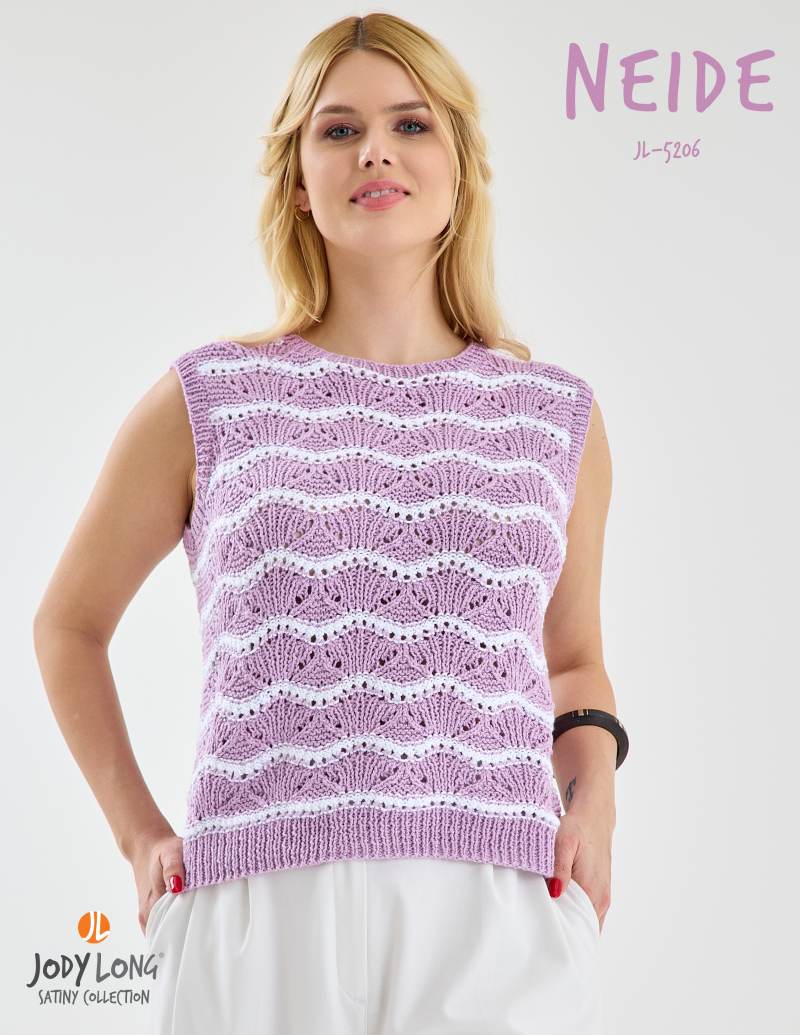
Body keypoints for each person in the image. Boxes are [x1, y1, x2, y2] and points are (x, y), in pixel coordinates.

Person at [33, 12, 622, 1035]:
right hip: (257, 901)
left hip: (493, 902)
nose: (375, 151)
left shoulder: (554, 417)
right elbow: (67, 626)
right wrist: (138, 836)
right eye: (339, 130)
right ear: (299, 181)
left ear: (458, 167)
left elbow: (573, 661)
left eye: (410, 124)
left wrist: (596, 802)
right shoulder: (208, 399)